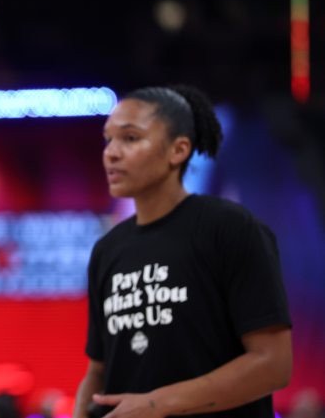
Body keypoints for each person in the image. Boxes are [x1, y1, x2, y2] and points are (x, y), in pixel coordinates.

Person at [73, 86, 293, 418]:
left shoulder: (231, 228)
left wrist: (155, 404)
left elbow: (272, 364)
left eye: (130, 138)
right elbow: (98, 372)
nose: (111, 153)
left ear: (178, 150)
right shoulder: (107, 250)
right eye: (108, 139)